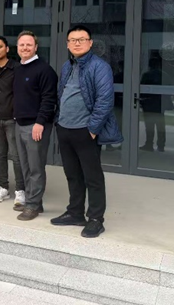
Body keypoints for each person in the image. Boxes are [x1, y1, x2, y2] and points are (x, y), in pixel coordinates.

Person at [52, 25, 123, 238]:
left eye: (81, 39)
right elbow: (61, 94)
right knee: (72, 175)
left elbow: (105, 100)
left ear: (90, 43)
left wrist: (92, 129)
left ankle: (95, 219)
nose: (77, 43)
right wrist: (58, 121)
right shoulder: (67, 65)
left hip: (85, 131)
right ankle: (75, 213)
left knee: (92, 177)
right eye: (72, 40)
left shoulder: (99, 67)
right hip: (65, 128)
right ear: (67, 44)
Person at [13, 31, 58, 221]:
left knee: (36, 167)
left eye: (29, 45)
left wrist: (40, 122)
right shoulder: (18, 69)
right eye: (22, 45)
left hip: (36, 126)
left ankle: (32, 205)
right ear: (17, 47)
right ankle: (34, 201)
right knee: (25, 166)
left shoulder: (44, 70)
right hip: (19, 124)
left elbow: (49, 99)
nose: (25, 48)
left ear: (36, 47)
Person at [0, 35, 25, 206]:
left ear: (7, 49)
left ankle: (21, 190)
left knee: (16, 156)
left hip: (12, 119)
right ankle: (3, 187)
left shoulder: (17, 68)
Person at [139, 57, 171, 152]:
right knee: (161, 125)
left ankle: (149, 144)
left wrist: (141, 101)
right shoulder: (165, 75)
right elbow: (168, 89)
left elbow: (142, 89)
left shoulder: (147, 75)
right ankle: (161, 145)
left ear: (150, 65)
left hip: (149, 104)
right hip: (160, 104)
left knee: (149, 126)